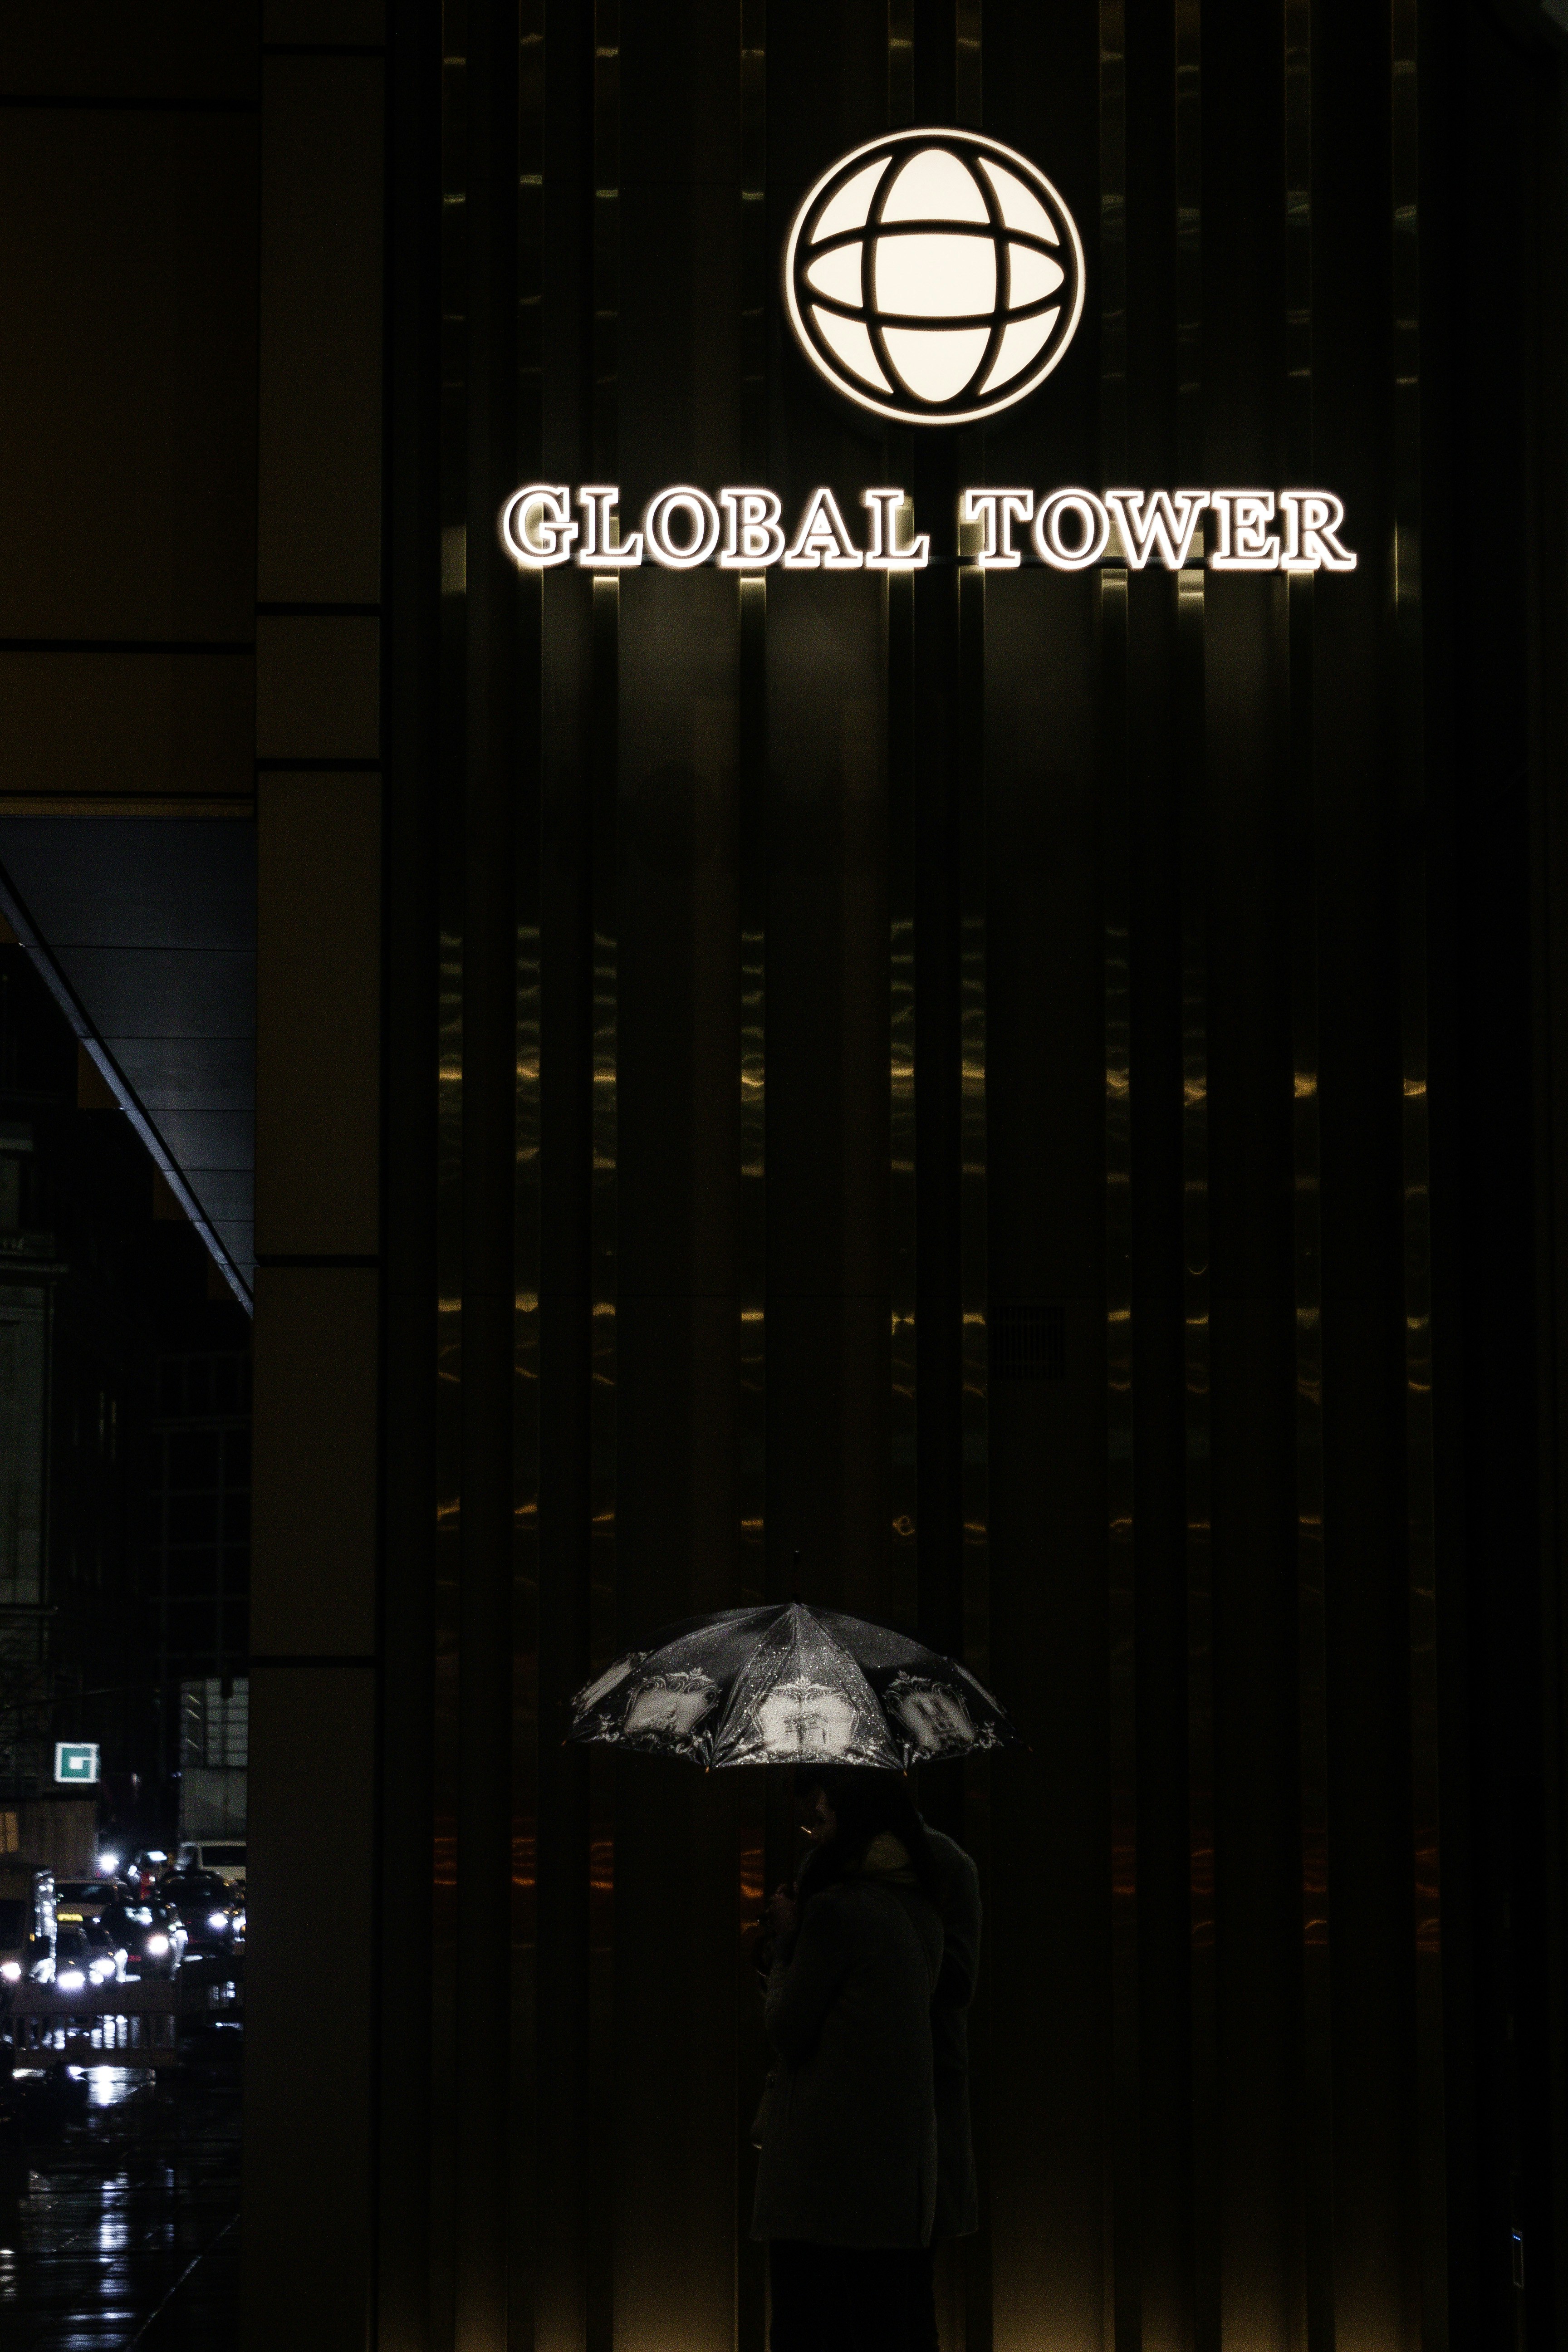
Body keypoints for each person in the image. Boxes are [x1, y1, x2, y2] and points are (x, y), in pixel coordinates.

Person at [753, 1767, 946, 2352]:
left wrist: (785, 1943)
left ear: (852, 1819)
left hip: (825, 2186)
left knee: (812, 2327)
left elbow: (787, 2028)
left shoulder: (838, 1911)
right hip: (897, 2180)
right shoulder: (921, 1905)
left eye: (822, 1817)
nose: (814, 1833)